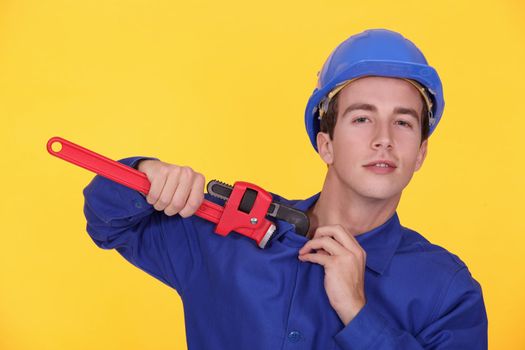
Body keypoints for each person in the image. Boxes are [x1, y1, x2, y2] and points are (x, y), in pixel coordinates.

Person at [83, 28, 488, 349]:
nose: (383, 138)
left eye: (403, 122)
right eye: (362, 119)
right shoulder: (226, 236)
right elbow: (107, 221)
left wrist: (359, 314)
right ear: (325, 143)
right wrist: (146, 175)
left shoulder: (448, 292)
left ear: (420, 153)